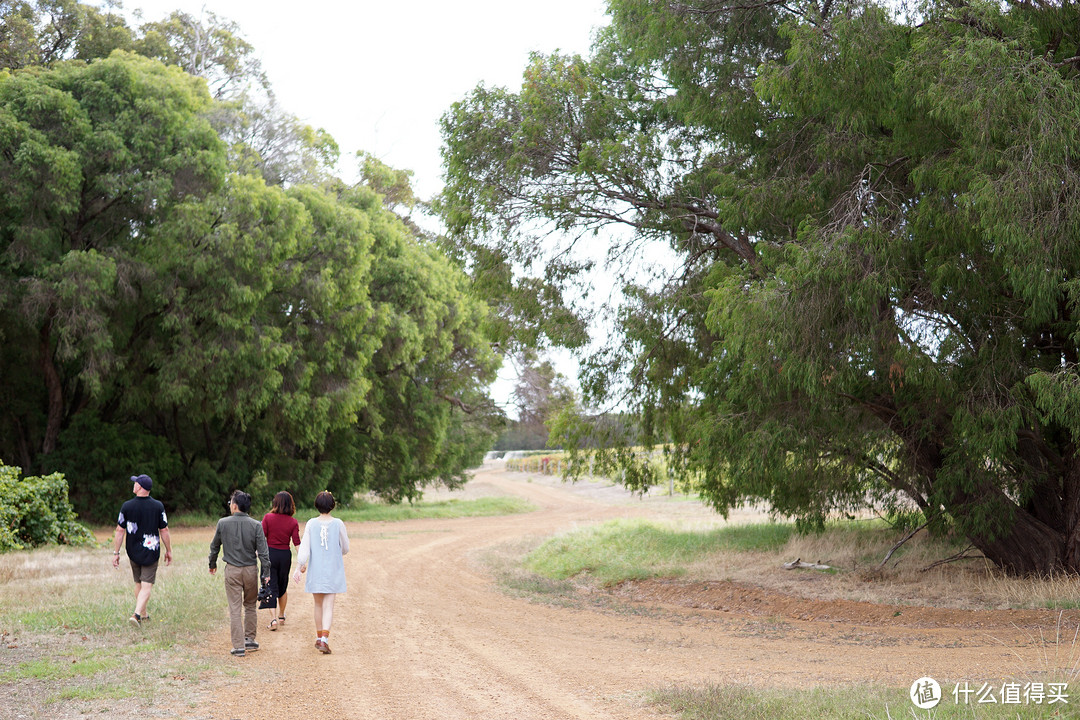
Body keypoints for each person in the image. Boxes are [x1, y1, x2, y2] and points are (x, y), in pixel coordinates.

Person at [208, 490, 271, 657]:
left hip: (232, 570)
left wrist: (212, 563)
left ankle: (238, 646)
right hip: (251, 569)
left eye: (230, 503)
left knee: (235, 608)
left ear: (234, 506)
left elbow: (215, 546)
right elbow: (263, 552)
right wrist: (266, 572)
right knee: (250, 605)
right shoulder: (256, 525)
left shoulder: (223, 523)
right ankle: (250, 639)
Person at [111, 474, 172, 628]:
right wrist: (168, 550)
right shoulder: (158, 506)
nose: (133, 485)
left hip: (133, 551)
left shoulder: (127, 506)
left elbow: (119, 530)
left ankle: (143, 614)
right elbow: (164, 529)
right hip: (151, 550)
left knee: (139, 583)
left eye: (135, 483)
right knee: (146, 585)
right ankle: (137, 615)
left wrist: (116, 553)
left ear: (140, 487)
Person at [293, 490, 349, 654]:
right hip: (333, 569)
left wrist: (299, 566)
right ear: (332, 505)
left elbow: (304, 549)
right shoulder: (338, 523)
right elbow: (345, 548)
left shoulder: (311, 523)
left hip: (315, 569)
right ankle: (324, 639)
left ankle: (319, 637)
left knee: (317, 604)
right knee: (328, 605)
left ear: (317, 505)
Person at [261, 491, 300, 631]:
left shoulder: (267, 518)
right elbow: (297, 543)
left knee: (270, 585)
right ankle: (282, 615)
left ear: (275, 503)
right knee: (283, 586)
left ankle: (273, 619)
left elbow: (261, 538)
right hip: (285, 555)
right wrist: (302, 561)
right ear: (291, 504)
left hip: (270, 554)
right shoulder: (293, 522)